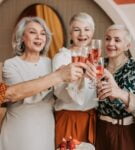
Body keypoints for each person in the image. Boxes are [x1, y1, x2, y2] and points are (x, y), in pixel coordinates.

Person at [0, 16, 86, 150]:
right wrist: (57, 76)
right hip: (19, 130)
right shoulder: (11, 64)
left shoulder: (50, 62)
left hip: (45, 129)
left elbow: (63, 96)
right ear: (22, 37)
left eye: (43, 33)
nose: (39, 37)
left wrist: (76, 82)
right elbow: (14, 94)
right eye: (33, 32)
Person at [52, 12, 98, 148]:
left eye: (87, 29)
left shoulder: (95, 58)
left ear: (92, 32)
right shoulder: (61, 57)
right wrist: (79, 79)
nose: (82, 34)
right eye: (77, 30)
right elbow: (60, 94)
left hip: (91, 119)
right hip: (69, 118)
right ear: (71, 33)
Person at [96, 24, 135, 150]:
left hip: (123, 131)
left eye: (117, 40)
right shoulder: (100, 63)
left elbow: (122, 105)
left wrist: (112, 85)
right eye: (107, 38)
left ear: (127, 46)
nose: (110, 43)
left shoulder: (134, 68)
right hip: (100, 128)